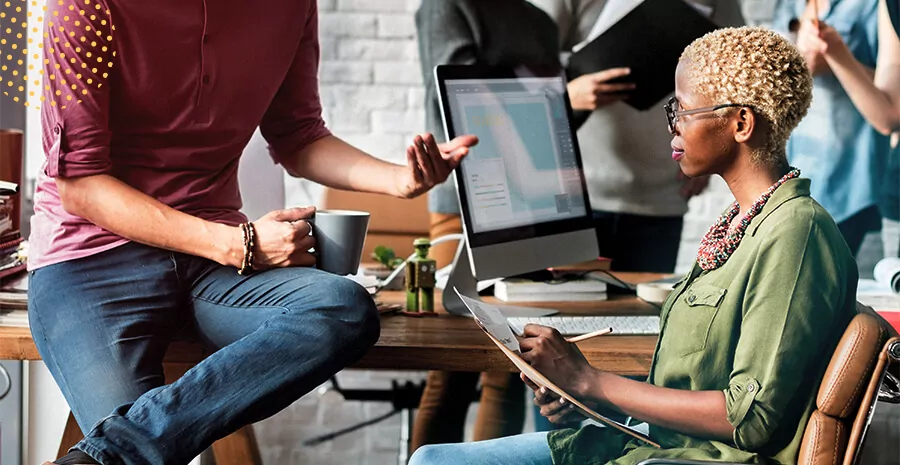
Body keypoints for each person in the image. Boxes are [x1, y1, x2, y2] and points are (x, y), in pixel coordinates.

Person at [28, 1, 477, 464]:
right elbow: (81, 186)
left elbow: (299, 135)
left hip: (214, 265)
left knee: (341, 308)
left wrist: (399, 182)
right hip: (91, 259)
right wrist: (239, 244)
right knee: (138, 454)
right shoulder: (86, 6)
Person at [409, 26, 860, 465]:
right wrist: (578, 391)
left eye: (682, 110)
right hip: (659, 442)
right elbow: (694, 385)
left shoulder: (796, 234)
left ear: (741, 122)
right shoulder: (742, 222)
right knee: (430, 456)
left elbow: (752, 418)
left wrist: (590, 380)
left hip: (697, 457)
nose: (673, 127)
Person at [411, 0, 638, 451]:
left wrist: (571, 102)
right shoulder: (446, 7)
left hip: (528, 200)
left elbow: (551, 127)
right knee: (452, 364)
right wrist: (558, 97)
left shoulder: (539, 21)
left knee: (510, 371)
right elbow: (455, 108)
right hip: (464, 195)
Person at [528, 0, 744, 274]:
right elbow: (524, 64)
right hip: (577, 198)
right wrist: (567, 96)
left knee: (642, 314)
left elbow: (733, 76)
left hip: (662, 199)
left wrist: (713, 152)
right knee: (572, 314)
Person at [772, 0, 890, 256]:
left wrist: (838, 60)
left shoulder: (873, 6)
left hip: (848, 175)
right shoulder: (787, 4)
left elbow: (890, 97)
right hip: (793, 165)